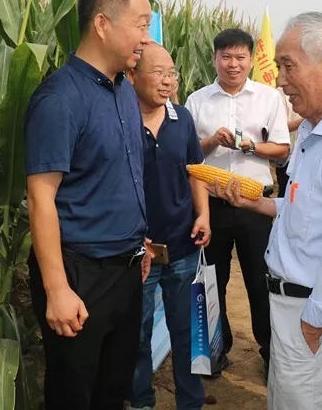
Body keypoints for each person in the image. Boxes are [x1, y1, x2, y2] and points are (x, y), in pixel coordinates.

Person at [209, 12, 322, 409]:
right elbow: (308, 210)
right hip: (295, 310)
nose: (281, 79)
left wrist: (315, 321)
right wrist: (256, 202)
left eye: (289, 66)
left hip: (315, 317)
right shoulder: (311, 129)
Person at [24, 0, 153, 410]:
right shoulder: (60, 99)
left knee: (112, 391)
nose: (146, 37)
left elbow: (122, 175)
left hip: (126, 270)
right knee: (74, 394)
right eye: (140, 24)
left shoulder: (123, 90)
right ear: (102, 24)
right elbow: (41, 198)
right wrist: (57, 289)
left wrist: (139, 241)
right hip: (80, 275)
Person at [185, 28, 290, 381]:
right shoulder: (197, 100)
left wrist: (250, 147)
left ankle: (270, 353)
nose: (233, 64)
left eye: (240, 57)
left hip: (254, 204)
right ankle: (216, 351)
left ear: (250, 60)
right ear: (214, 59)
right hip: (211, 205)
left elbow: (282, 148)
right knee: (211, 280)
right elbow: (187, 155)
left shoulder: (269, 98)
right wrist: (212, 141)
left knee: (260, 281)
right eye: (226, 57)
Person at [126, 43, 211, 410]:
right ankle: (141, 400)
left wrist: (203, 214)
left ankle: (190, 402)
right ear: (131, 75)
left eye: (172, 73)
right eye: (158, 73)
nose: (167, 81)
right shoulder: (120, 119)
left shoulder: (182, 118)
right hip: (136, 250)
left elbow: (196, 170)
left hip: (182, 244)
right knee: (137, 334)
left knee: (188, 332)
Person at [276, 89, 304, 197]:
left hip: (310, 155)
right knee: (286, 195)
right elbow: (279, 128)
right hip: (289, 156)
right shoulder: (279, 94)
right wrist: (306, 119)